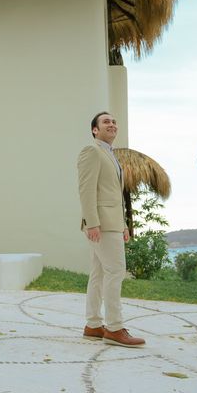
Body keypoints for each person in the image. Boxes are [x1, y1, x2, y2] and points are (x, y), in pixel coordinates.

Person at [77, 112, 145, 348]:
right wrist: (92, 222)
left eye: (114, 122)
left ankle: (94, 325)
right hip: (101, 224)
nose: (112, 124)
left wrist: (124, 224)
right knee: (116, 271)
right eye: (106, 121)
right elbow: (86, 190)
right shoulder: (92, 151)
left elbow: (115, 195)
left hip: (113, 222)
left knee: (99, 274)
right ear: (95, 130)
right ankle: (115, 328)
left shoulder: (111, 155)